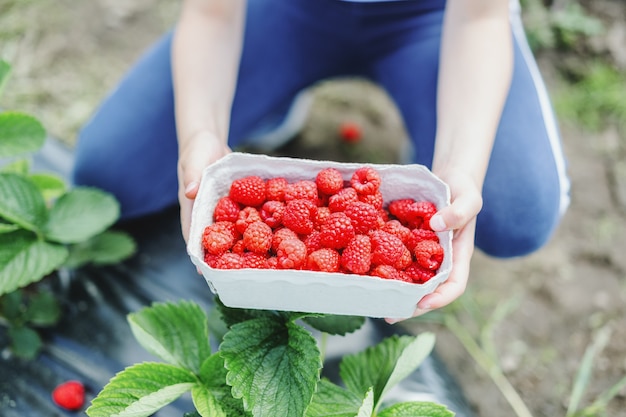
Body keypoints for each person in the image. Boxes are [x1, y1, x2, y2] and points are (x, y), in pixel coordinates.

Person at [72, 0, 570, 321]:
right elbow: (211, 12)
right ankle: (273, 106)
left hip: (434, 18)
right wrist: (201, 134)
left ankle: (428, 147)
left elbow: (479, 17)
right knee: (106, 177)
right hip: (288, 10)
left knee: (515, 213)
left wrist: (457, 169)